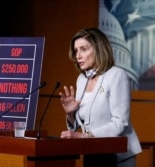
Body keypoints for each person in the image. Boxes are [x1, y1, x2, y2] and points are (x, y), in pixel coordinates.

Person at [59, 28, 142, 167]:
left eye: (83, 49)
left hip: (118, 156)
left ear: (98, 49)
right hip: (93, 153)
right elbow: (82, 123)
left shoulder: (116, 75)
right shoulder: (81, 79)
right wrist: (71, 113)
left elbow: (120, 123)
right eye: (76, 50)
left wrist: (85, 136)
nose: (78, 56)